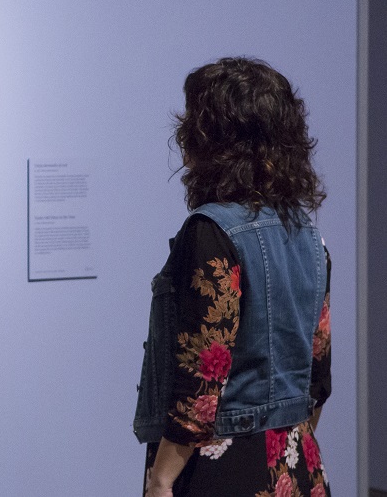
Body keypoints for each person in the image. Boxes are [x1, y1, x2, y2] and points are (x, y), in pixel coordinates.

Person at [134, 57, 332, 497]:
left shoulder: (211, 232)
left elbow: (202, 379)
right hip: (298, 463)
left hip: (221, 468)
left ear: (214, 138)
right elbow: (319, 373)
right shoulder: (308, 237)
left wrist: (163, 478)